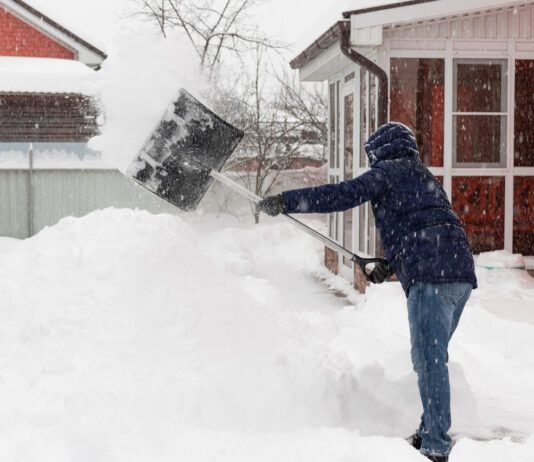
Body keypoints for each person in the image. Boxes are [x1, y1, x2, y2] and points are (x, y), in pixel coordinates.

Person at [256, 122, 477, 462]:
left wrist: (285, 201)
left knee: (430, 363)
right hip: (459, 274)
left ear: (379, 151)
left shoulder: (387, 171)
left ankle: (436, 445)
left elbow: (341, 195)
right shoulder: (424, 176)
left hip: (432, 277)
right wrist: (392, 263)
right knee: (434, 360)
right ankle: (429, 428)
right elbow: (427, 226)